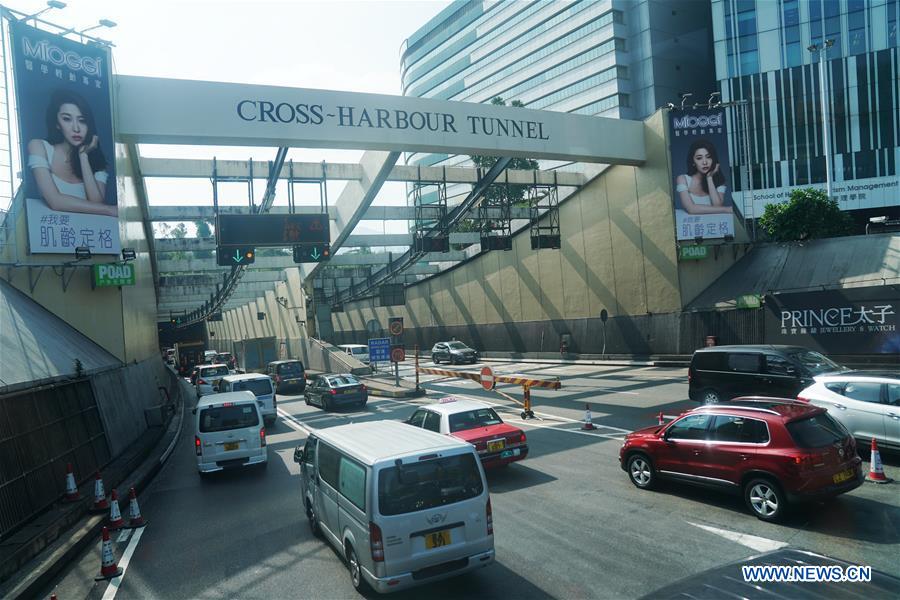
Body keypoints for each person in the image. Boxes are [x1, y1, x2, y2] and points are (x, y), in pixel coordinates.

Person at [27, 89, 117, 217]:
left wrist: (84, 156)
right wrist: (109, 209)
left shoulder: (97, 161)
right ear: (57, 123)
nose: (76, 128)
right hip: (50, 229)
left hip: (87, 232)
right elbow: (55, 201)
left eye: (82, 120)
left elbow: (96, 202)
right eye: (67, 119)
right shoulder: (39, 147)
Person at [675, 139, 733, 215]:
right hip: (693, 224)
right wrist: (727, 209)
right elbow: (691, 209)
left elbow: (718, 206)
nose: (705, 162)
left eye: (708, 157)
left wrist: (709, 178)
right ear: (693, 162)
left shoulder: (719, 181)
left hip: (714, 223)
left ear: (713, 159)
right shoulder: (683, 179)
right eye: (699, 158)